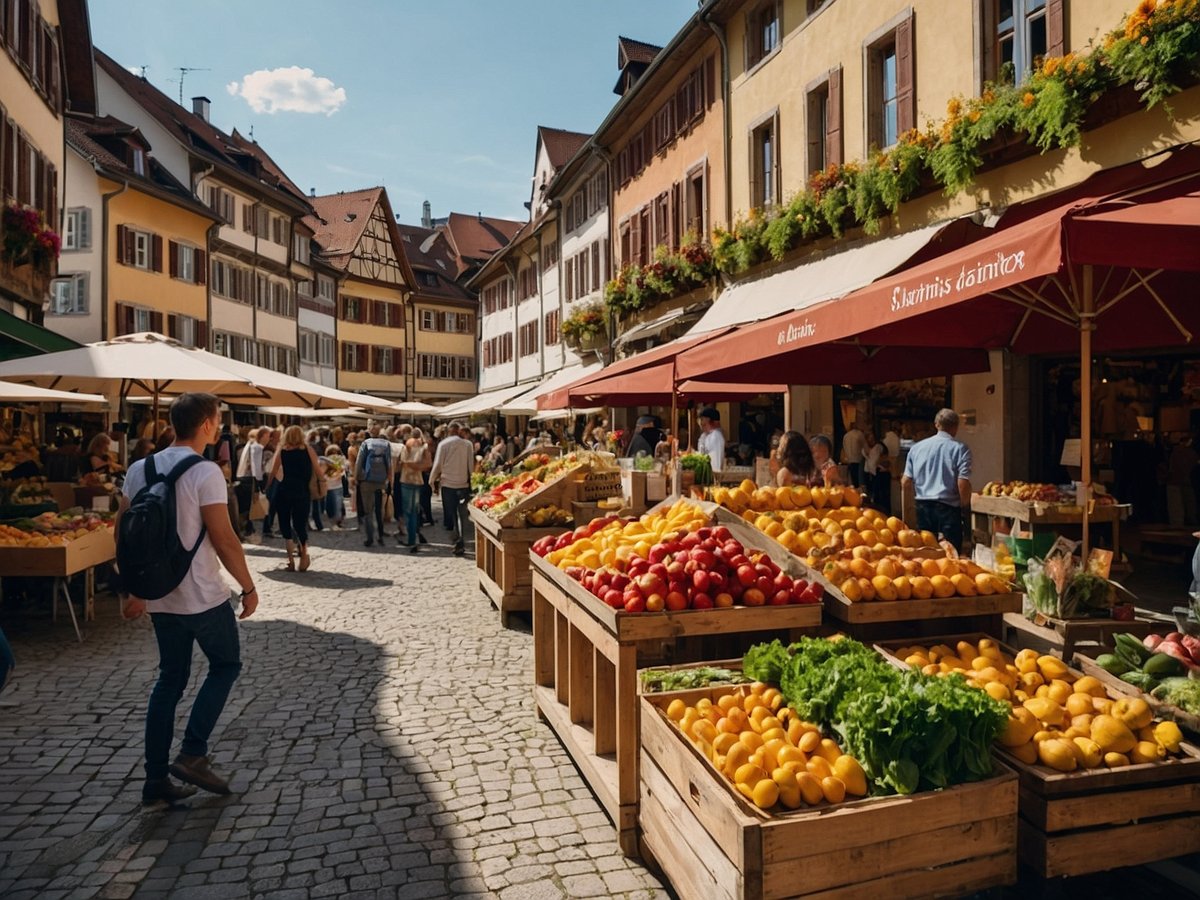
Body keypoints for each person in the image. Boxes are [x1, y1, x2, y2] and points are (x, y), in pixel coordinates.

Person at [117, 392, 257, 805]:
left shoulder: (139, 467)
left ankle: (155, 778)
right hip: (201, 593)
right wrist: (248, 586)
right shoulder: (206, 472)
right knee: (225, 664)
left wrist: (133, 589)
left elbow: (121, 528)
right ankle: (193, 753)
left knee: (169, 680)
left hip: (160, 593)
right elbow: (224, 536)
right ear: (207, 424)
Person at [902, 408, 973, 551]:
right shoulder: (960, 449)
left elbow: (905, 482)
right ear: (955, 427)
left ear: (936, 424)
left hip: (923, 508)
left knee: (927, 555)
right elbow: (962, 483)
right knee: (951, 556)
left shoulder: (916, 448)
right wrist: (965, 507)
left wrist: (907, 515)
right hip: (949, 510)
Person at [267, 425, 318, 571]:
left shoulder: (282, 451)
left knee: (285, 525)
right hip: (302, 492)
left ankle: (291, 561)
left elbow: (273, 471)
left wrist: (267, 486)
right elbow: (318, 468)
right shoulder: (308, 450)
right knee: (300, 524)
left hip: (284, 491)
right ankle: (304, 555)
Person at [430, 421, 474, 556]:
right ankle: (460, 539)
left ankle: (457, 540)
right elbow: (470, 465)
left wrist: (431, 480)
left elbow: (438, 464)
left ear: (449, 431)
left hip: (448, 484)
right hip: (463, 484)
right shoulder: (468, 444)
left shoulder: (443, 444)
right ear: (459, 431)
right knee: (462, 514)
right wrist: (471, 481)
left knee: (451, 514)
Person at [356, 424, 393, 548]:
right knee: (379, 510)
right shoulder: (386, 444)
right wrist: (389, 480)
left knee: (368, 512)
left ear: (370, 432)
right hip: (381, 481)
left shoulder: (366, 443)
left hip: (366, 481)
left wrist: (357, 477)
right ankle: (380, 536)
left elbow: (359, 462)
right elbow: (389, 463)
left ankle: (370, 538)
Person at [235, 427, 270, 543]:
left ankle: (246, 531)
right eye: (266, 436)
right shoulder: (257, 448)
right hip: (250, 481)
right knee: (247, 509)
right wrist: (258, 487)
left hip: (241, 478)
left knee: (244, 509)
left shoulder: (244, 447)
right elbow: (256, 470)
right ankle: (247, 532)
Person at [399, 428, 431, 553]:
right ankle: (415, 536)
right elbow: (428, 463)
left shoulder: (406, 445)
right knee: (415, 509)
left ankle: (412, 538)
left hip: (406, 479)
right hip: (418, 480)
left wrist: (410, 465)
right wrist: (418, 467)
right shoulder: (424, 446)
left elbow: (403, 462)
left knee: (408, 511)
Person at [863, 431, 891, 513]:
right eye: (869, 438)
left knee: (881, 496)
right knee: (875, 495)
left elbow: (875, 460)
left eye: (872, 438)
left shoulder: (878, 447)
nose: (871, 440)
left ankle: (884, 513)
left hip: (880, 472)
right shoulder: (868, 447)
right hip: (872, 472)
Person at [322, 447, 347, 530]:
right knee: (333, 506)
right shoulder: (325, 462)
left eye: (336, 452)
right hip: (330, 486)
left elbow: (343, 472)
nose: (334, 454)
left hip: (336, 486)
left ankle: (337, 522)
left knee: (337, 506)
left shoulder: (340, 462)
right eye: (332, 452)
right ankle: (335, 522)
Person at [696, 408, 726, 473]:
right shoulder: (704, 436)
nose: (700, 422)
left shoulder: (716, 436)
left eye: (702, 419)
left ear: (708, 420)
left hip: (712, 475)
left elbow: (715, 463)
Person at [841, 420, 866, 488]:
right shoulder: (859, 434)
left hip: (849, 458)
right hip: (858, 458)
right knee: (859, 476)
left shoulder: (846, 436)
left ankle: (853, 488)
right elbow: (864, 445)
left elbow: (844, 446)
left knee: (852, 475)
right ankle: (858, 488)